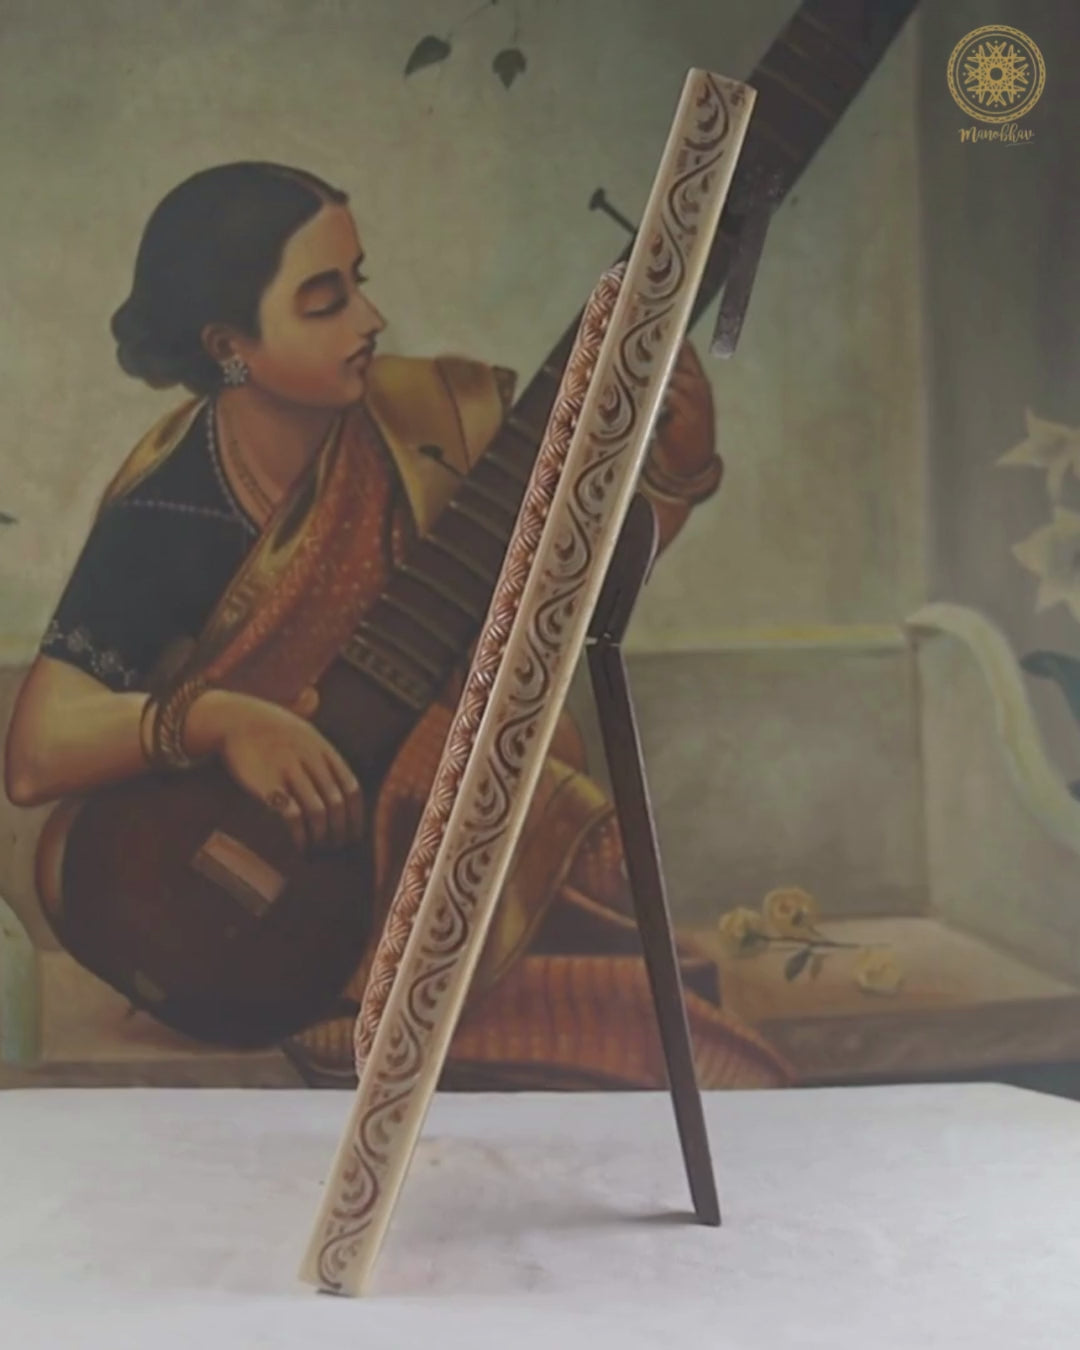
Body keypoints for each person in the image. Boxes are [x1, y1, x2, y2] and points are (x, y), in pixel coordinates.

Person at [4, 161, 788, 1090]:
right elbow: (37, 754)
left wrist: (677, 476)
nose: (369, 320)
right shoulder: (173, 504)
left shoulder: (437, 423)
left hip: (421, 829)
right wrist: (221, 720)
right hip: (234, 863)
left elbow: (570, 596)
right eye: (324, 302)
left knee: (597, 869)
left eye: (359, 283)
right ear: (230, 345)